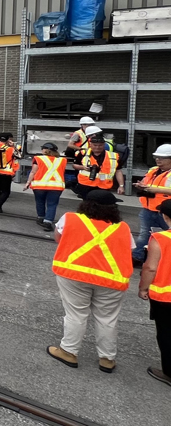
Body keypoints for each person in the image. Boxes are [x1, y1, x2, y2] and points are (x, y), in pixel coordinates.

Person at [47, 190, 133, 373]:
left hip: (73, 274)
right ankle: (107, 359)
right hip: (112, 280)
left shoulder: (69, 218)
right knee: (107, 318)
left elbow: (58, 239)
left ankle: (69, 351)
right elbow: (128, 250)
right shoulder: (123, 227)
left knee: (76, 314)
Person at [139, 199, 171, 387]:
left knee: (166, 334)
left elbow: (150, 268)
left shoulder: (160, 239)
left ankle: (169, 373)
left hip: (165, 297)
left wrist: (143, 288)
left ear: (164, 216)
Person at [131, 144, 171, 265]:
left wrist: (154, 189)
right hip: (148, 209)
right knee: (144, 234)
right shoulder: (152, 170)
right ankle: (138, 257)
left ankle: (164, 258)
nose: (158, 159)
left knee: (167, 235)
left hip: (166, 211)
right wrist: (141, 186)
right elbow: (145, 182)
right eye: (157, 157)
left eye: (162, 157)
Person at [24, 142, 67, 231]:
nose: (41, 150)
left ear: (46, 150)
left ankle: (40, 218)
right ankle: (48, 222)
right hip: (56, 187)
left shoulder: (38, 158)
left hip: (39, 186)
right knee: (52, 204)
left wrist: (28, 182)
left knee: (40, 202)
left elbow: (33, 172)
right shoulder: (63, 160)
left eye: (43, 148)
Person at [72, 134, 124, 199]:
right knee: (86, 205)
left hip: (104, 186)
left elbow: (118, 171)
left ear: (104, 145)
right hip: (86, 185)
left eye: (100, 145)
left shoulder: (114, 156)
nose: (97, 147)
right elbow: (74, 165)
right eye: (95, 145)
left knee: (101, 206)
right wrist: (83, 167)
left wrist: (121, 186)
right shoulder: (83, 153)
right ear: (90, 144)